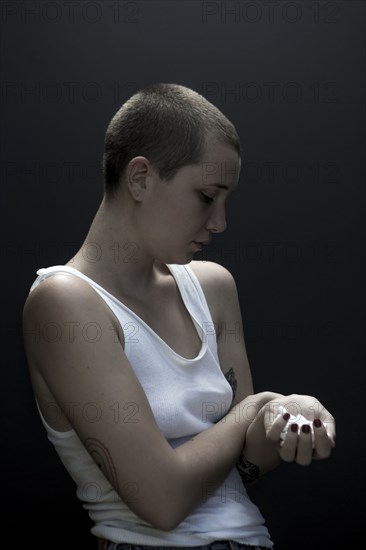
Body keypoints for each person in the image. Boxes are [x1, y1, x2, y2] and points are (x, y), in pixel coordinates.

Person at [22, 83, 336, 550]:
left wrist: (288, 417)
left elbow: (240, 461)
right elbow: (163, 501)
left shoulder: (212, 287)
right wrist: (254, 405)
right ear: (141, 178)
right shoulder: (65, 303)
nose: (219, 223)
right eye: (207, 197)